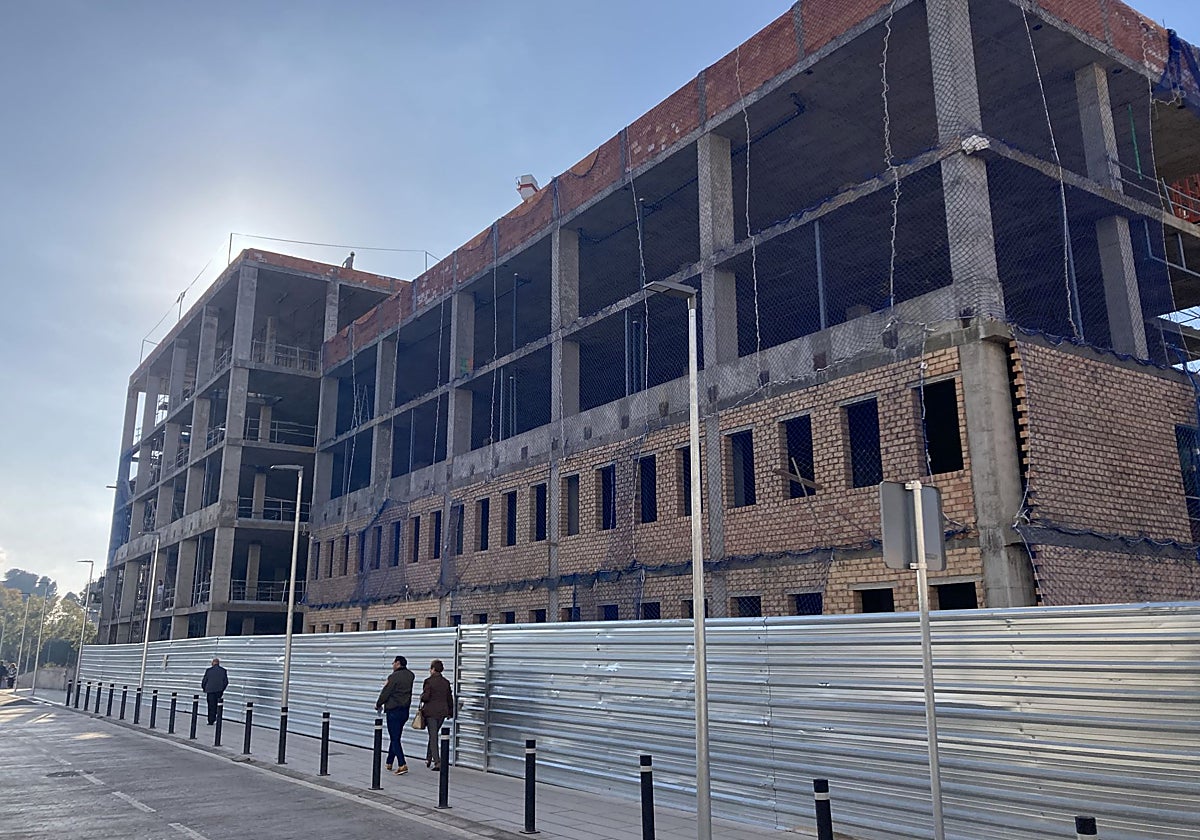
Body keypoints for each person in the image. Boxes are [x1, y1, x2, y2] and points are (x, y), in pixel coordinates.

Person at [375, 655, 414, 775]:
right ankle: (389, 762)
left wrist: (378, 704)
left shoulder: (393, 677)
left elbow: (386, 692)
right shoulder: (410, 675)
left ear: (398, 663)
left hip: (393, 710)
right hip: (405, 710)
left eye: (393, 663)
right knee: (396, 736)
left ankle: (402, 764)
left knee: (394, 738)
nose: (392, 665)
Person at [419, 659, 454, 771]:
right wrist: (450, 712)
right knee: (433, 734)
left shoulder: (428, 681)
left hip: (431, 712)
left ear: (433, 669)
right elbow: (449, 698)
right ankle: (429, 758)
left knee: (433, 736)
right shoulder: (446, 682)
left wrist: (421, 696)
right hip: (442, 712)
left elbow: (426, 697)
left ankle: (437, 761)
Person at [201, 657, 228, 725]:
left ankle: (211, 720)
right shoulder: (223, 670)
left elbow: (204, 680)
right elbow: (226, 682)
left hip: (210, 691)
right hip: (219, 691)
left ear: (213, 663)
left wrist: (204, 688)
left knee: (211, 705)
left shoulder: (209, 670)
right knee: (217, 705)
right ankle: (217, 717)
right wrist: (222, 689)